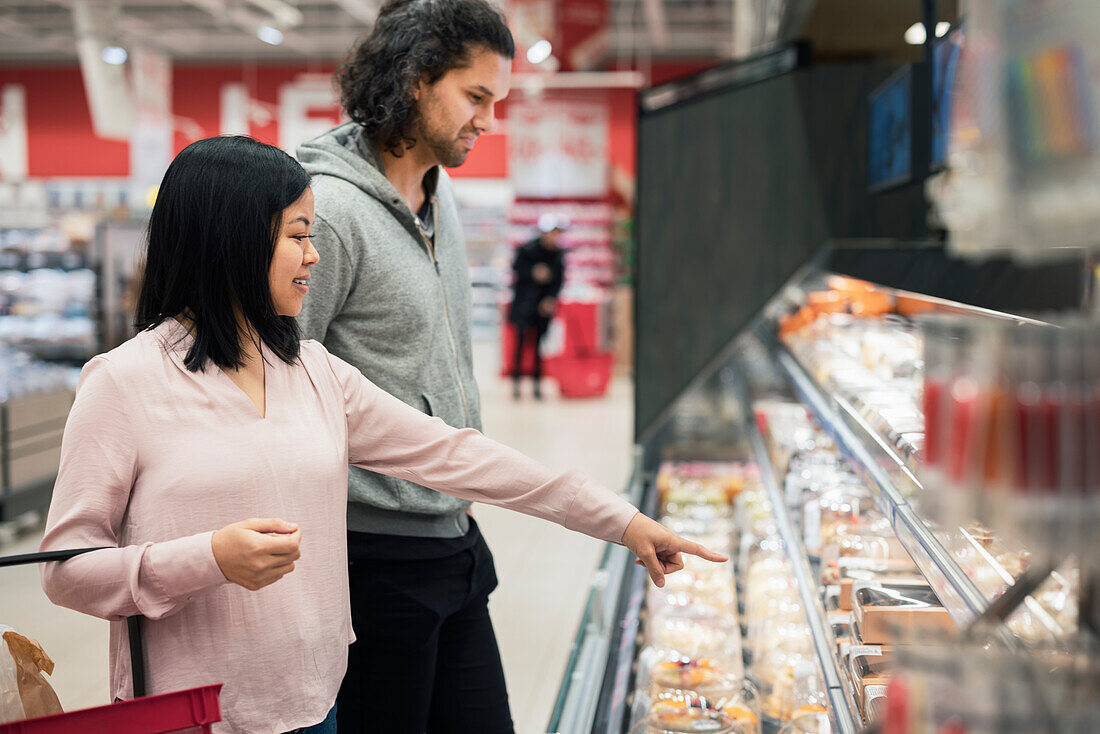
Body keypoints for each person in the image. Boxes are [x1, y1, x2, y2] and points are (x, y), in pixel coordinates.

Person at [37, 136, 725, 734]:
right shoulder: (123, 384)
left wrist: (622, 521)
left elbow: (456, 456)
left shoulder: (314, 372)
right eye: (296, 234)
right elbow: (67, 571)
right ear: (233, 239)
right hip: (198, 714)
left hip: (316, 702)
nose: (313, 255)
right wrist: (207, 558)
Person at [293, 0, 543, 730]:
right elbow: (278, 384)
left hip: (455, 539)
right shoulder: (330, 212)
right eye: (476, 97)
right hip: (371, 560)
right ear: (415, 80)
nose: (488, 121)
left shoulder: (441, 196)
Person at [508, 213, 567, 399]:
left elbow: (559, 282)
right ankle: (516, 384)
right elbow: (516, 270)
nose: (554, 237)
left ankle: (537, 385)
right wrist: (533, 272)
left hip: (543, 308)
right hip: (524, 305)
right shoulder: (527, 249)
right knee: (520, 344)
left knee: (539, 347)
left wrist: (550, 299)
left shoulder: (558, 255)